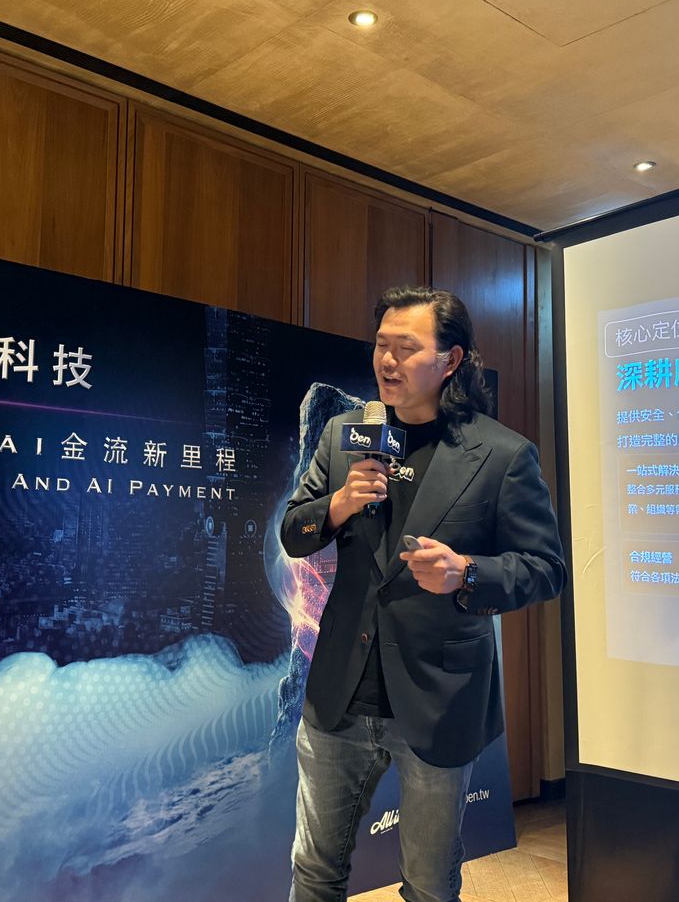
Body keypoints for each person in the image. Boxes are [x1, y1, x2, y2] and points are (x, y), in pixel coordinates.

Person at [281, 285, 567, 902]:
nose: (387, 361)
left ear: (451, 360)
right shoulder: (343, 434)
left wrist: (467, 573)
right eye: (380, 345)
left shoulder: (502, 454)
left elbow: (546, 568)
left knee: (430, 885)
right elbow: (294, 531)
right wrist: (337, 504)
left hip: (439, 698)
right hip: (340, 693)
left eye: (406, 348)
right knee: (314, 874)